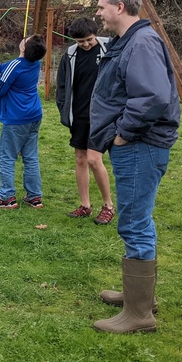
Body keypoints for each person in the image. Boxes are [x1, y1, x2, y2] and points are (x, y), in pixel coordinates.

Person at [89, 0, 180, 333]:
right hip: (138, 146)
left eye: (101, 6)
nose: (98, 12)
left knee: (134, 223)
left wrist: (123, 134)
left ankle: (139, 316)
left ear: (120, 8)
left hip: (140, 147)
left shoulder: (141, 42)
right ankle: (140, 297)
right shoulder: (132, 41)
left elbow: (153, 97)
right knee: (139, 220)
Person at [55, 17, 115, 224]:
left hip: (102, 116)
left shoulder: (110, 47)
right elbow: (62, 85)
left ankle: (108, 206)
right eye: (81, 42)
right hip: (79, 114)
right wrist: (64, 109)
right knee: (81, 158)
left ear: (95, 34)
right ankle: (85, 205)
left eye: (89, 40)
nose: (86, 44)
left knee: (94, 160)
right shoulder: (70, 55)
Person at [0, 34, 48, 210]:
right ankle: (34, 197)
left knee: (6, 157)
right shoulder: (35, 62)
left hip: (16, 118)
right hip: (34, 116)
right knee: (30, 157)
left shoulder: (15, 65)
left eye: (26, 40)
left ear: (23, 48)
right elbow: (9, 68)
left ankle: (6, 197)